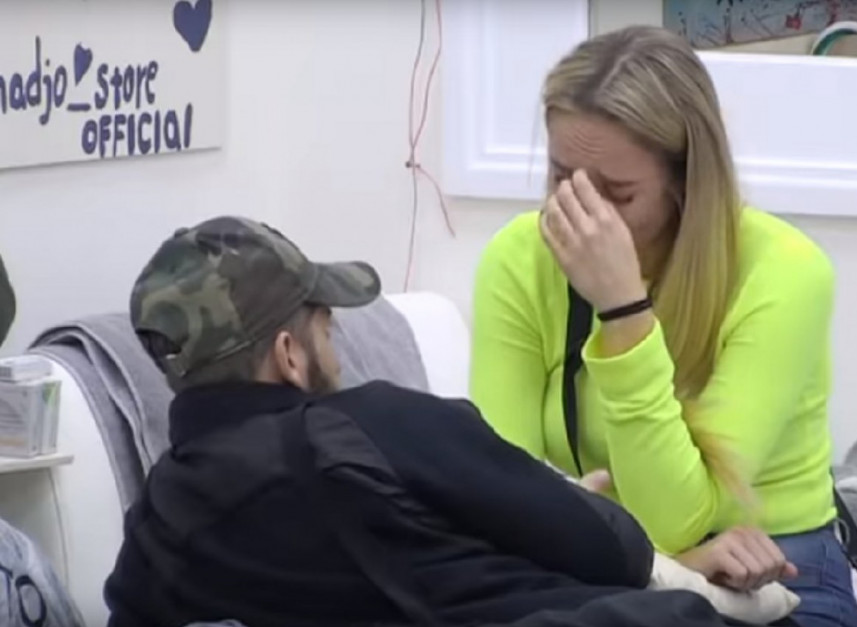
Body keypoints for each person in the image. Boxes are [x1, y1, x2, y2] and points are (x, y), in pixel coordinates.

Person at [104, 216, 757, 627]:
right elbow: (609, 551)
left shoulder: (157, 527)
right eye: (325, 328)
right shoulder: (375, 423)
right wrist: (568, 505)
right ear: (289, 354)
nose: (337, 351)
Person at [469, 25, 857, 627]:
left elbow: (679, 516)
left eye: (618, 194)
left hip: (776, 568)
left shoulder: (787, 272)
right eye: (560, 178)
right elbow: (500, 495)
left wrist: (622, 311)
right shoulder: (518, 258)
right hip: (599, 564)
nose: (581, 215)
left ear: (685, 182)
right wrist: (666, 564)